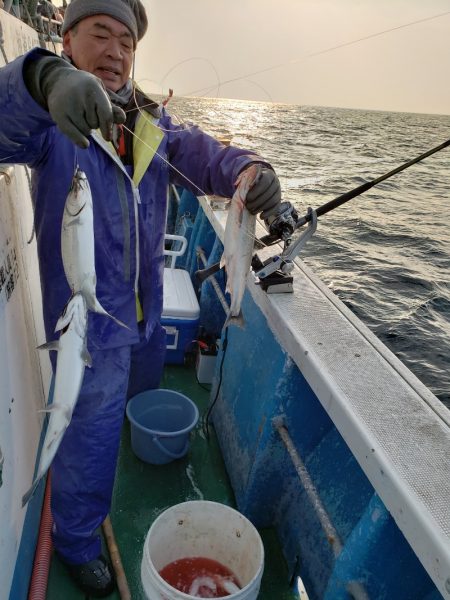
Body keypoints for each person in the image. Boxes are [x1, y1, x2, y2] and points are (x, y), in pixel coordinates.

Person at [0, 0, 281, 596]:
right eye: (100, 35)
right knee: (89, 439)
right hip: (89, 333)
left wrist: (250, 171)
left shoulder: (150, 122)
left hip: (147, 313)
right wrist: (40, 80)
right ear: (68, 39)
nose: (115, 52)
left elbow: (206, 155)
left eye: (127, 43)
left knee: (140, 399)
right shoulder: (52, 120)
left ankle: (134, 440)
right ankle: (77, 541)